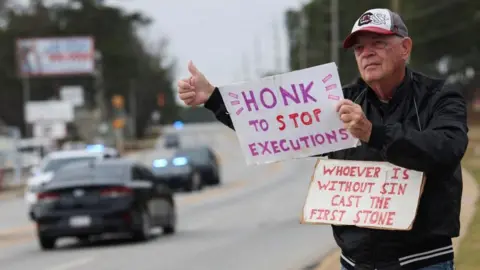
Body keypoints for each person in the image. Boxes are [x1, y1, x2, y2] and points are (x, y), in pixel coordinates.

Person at [176, 8, 468, 270]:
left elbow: (447, 148)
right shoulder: (338, 101)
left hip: (421, 260)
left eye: (378, 43)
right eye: (359, 48)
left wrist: (372, 133)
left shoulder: (439, 96)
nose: (366, 53)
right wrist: (214, 98)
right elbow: (271, 126)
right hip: (356, 261)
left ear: (405, 48)